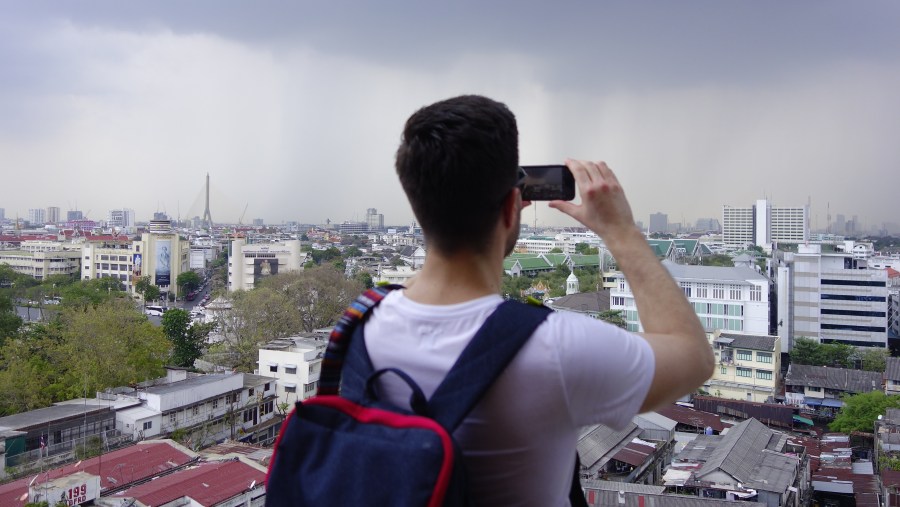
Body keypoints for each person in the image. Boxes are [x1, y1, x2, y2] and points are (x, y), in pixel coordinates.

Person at [362, 95, 713, 505]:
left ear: (416, 202)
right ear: (515, 205)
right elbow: (694, 357)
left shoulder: (357, 326)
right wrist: (621, 231)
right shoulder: (554, 347)